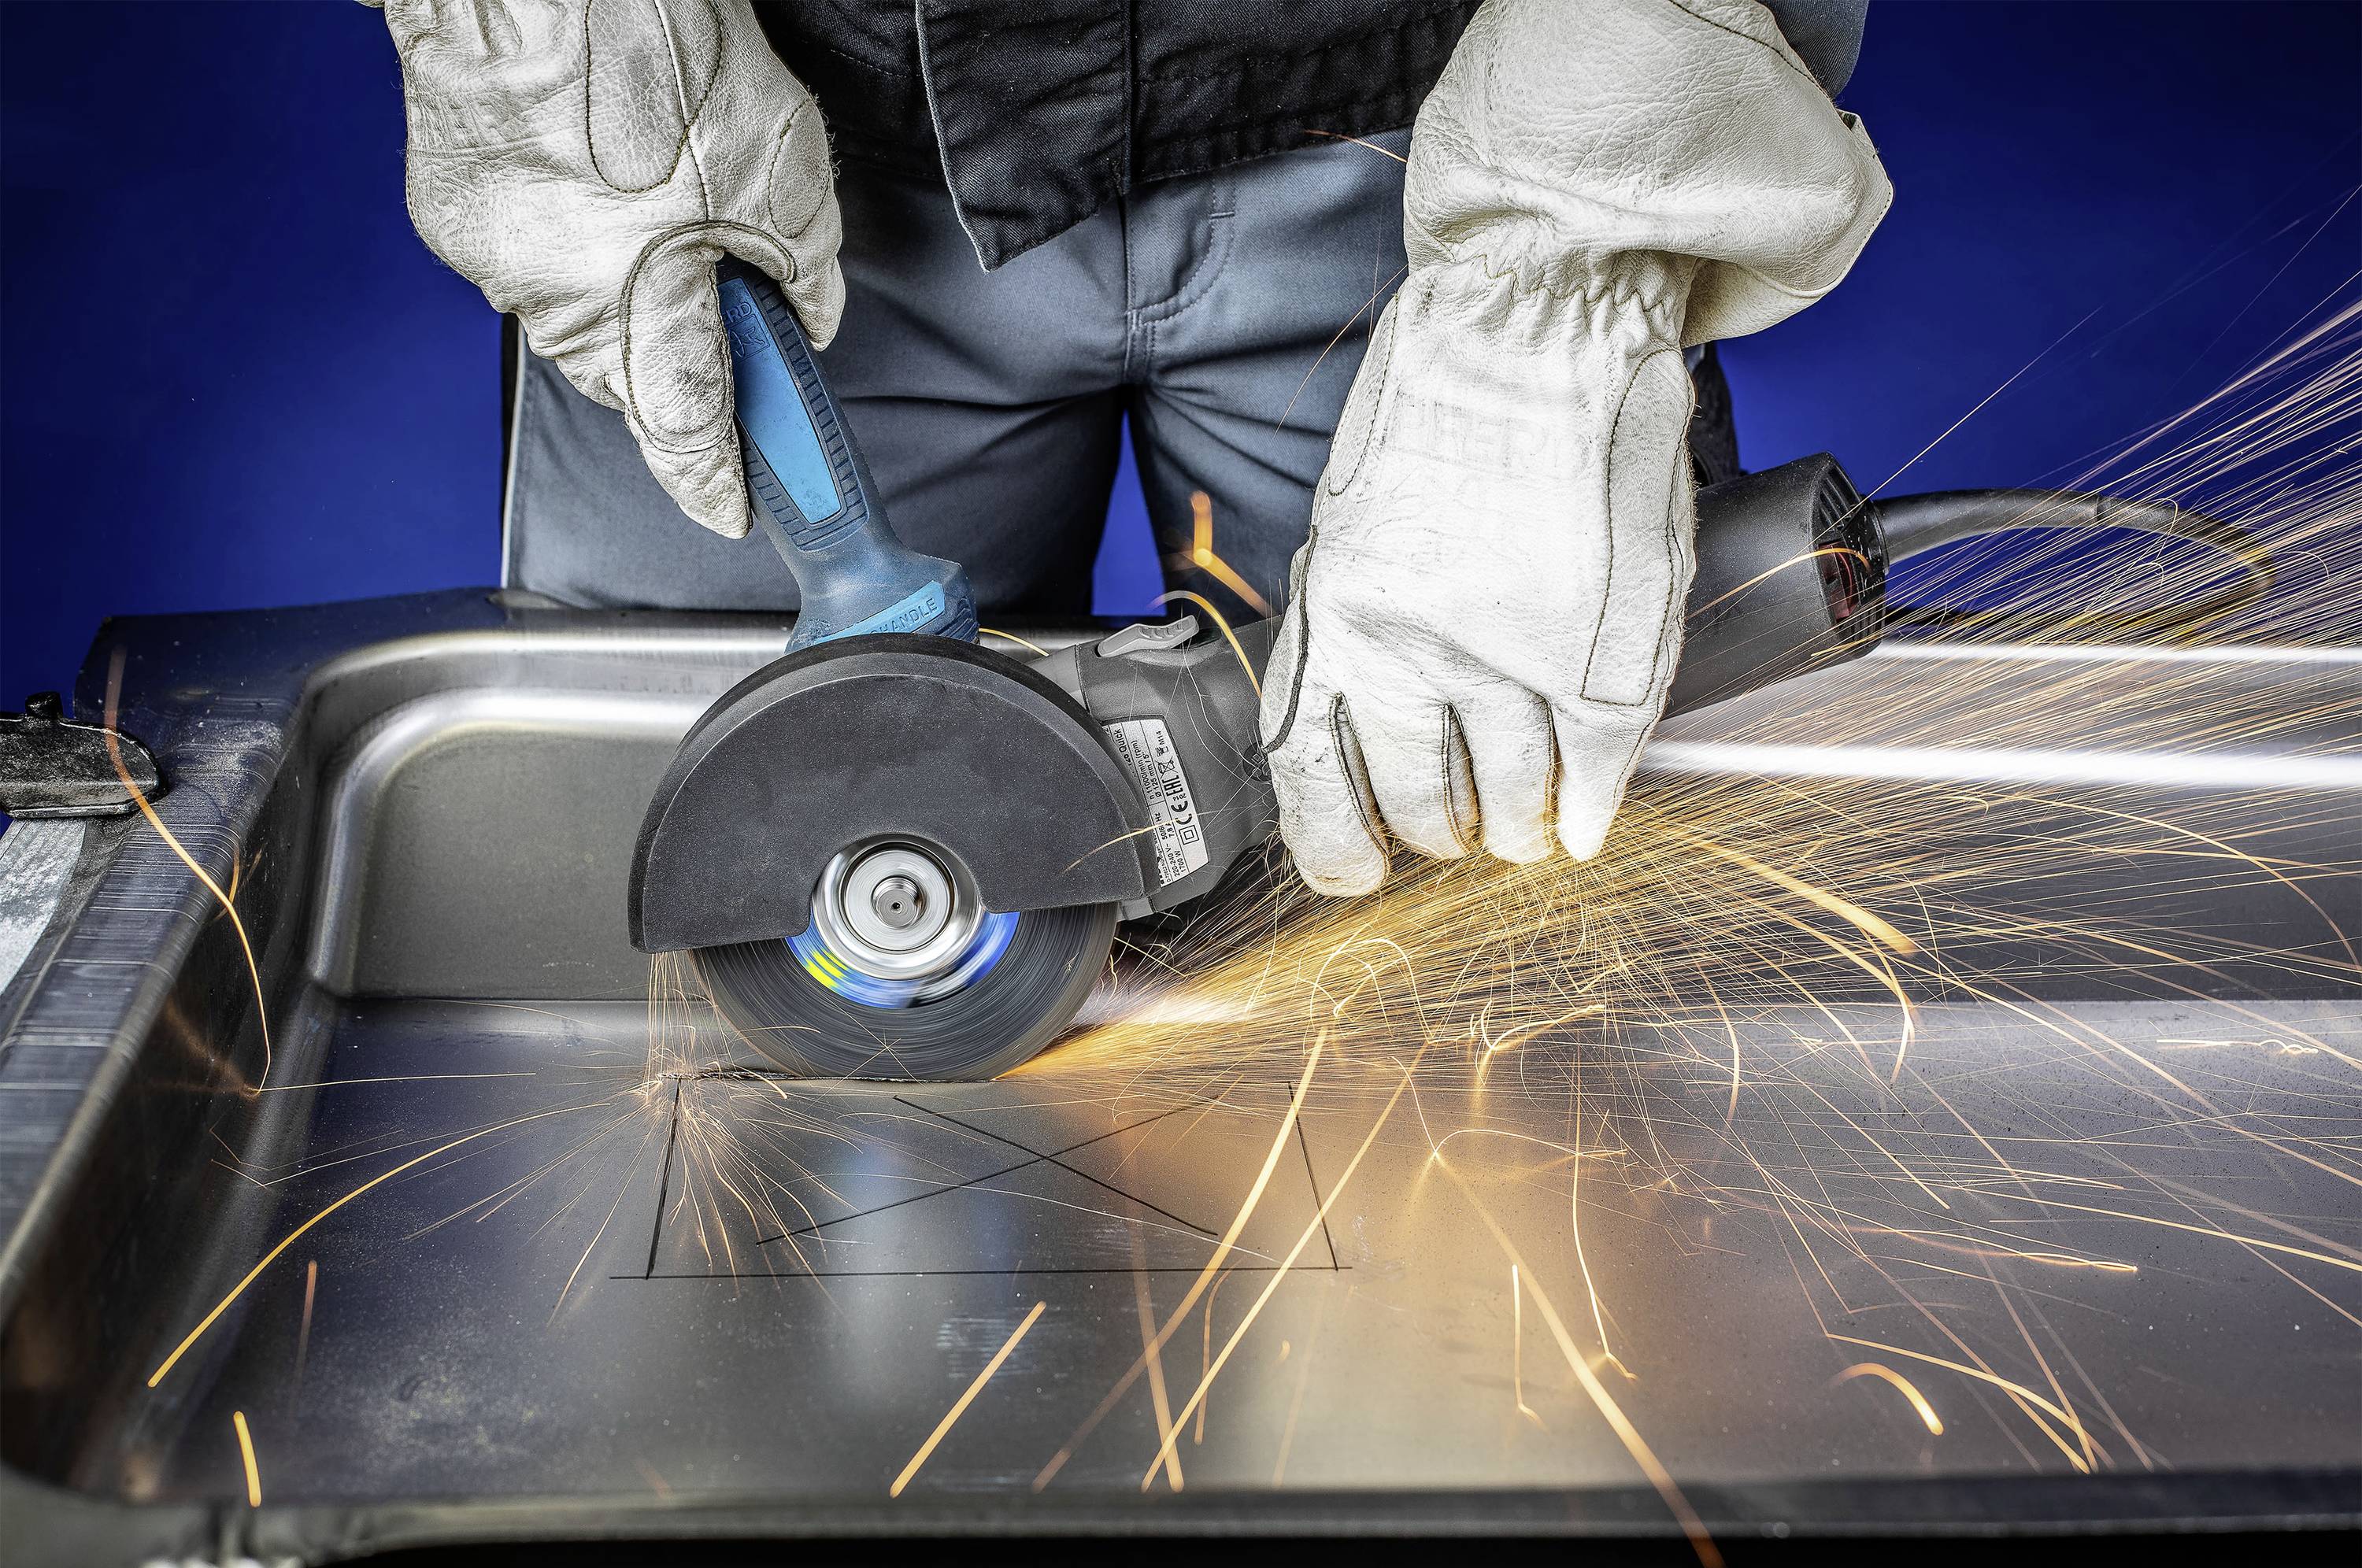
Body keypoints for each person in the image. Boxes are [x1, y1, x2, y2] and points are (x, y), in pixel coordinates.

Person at [366, 0, 1889, 896]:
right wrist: (542, 39)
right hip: (770, 160)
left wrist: (1570, 263)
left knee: (1500, 890)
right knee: (682, 892)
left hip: (1441, 148)